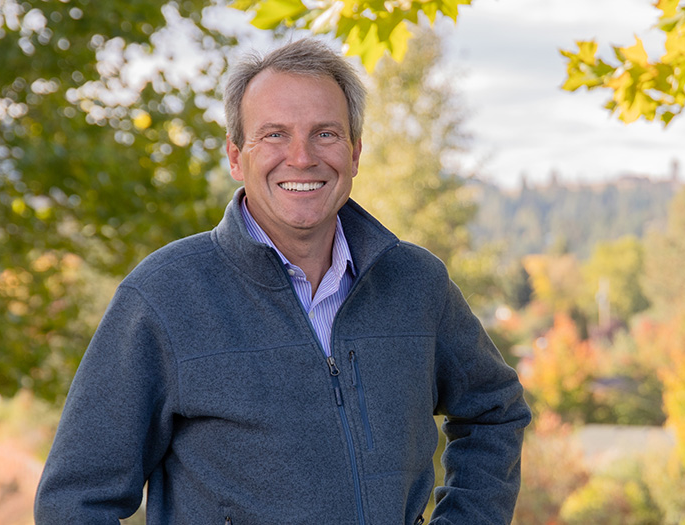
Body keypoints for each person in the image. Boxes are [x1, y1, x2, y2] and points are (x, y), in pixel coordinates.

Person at [34, 38, 531, 525]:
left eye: (326, 134)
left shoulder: (416, 284)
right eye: (274, 134)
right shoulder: (164, 296)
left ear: (355, 153)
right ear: (235, 156)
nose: (301, 157)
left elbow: (495, 411)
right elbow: (74, 500)